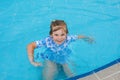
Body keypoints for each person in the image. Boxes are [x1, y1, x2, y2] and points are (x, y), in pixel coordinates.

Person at [27, 20, 94, 80]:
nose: (60, 38)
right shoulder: (47, 41)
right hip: (50, 57)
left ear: (66, 34)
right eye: (56, 35)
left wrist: (87, 38)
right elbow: (30, 45)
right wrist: (32, 61)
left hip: (64, 56)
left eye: (62, 34)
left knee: (71, 74)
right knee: (49, 75)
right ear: (51, 35)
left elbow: (79, 36)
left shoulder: (68, 38)